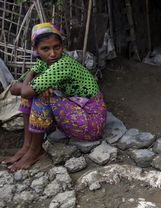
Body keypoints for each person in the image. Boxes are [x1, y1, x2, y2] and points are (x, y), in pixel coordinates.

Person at [1, 22, 107, 171]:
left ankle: (35, 150)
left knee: (40, 96)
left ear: (62, 46)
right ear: (36, 50)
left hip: (91, 123)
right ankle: (27, 146)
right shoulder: (43, 63)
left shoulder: (62, 64)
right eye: (45, 49)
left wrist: (31, 85)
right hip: (76, 113)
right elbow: (14, 89)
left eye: (57, 47)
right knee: (34, 92)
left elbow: (23, 90)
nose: (52, 53)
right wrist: (31, 74)